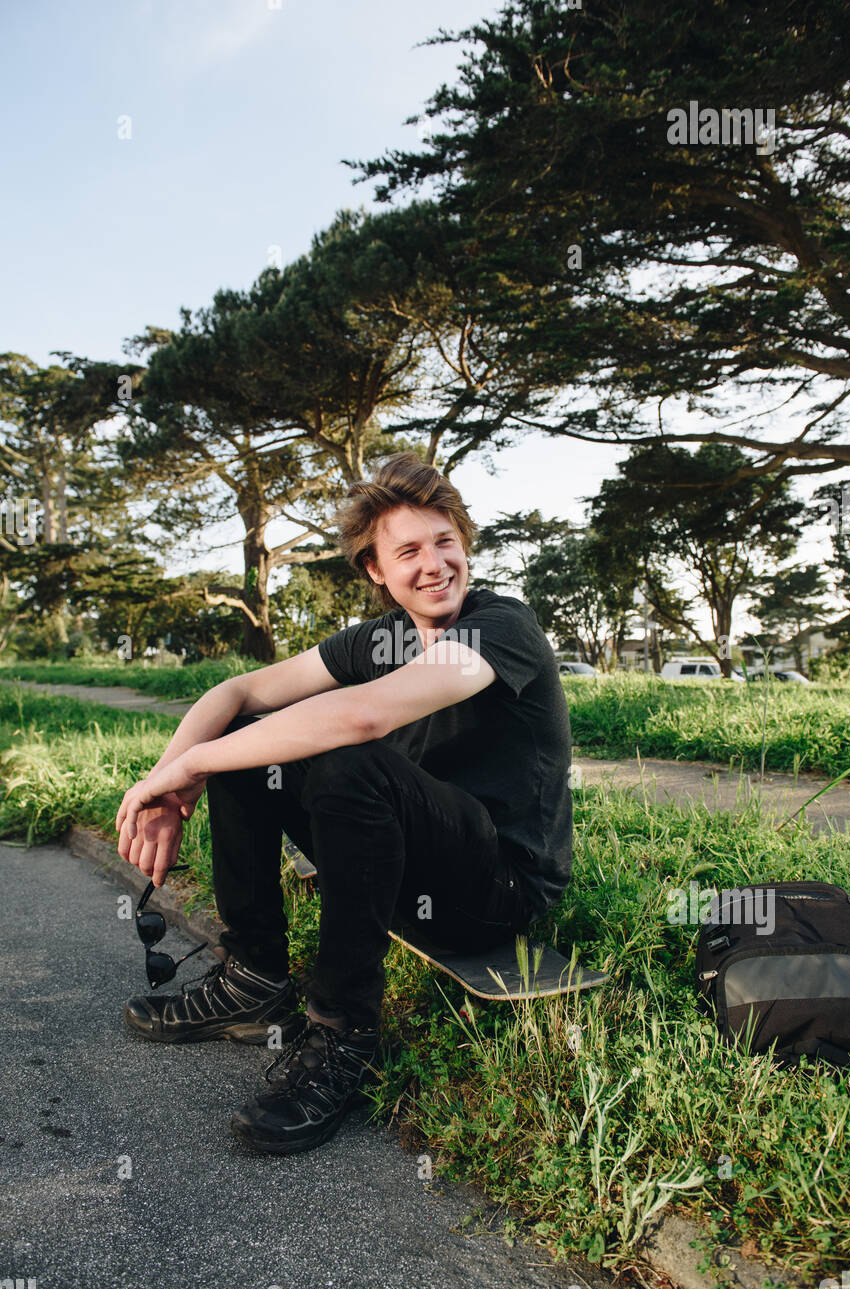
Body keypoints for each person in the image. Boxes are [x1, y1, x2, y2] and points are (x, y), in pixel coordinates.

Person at [115, 453, 573, 1155]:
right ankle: (255, 979)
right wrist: (167, 780)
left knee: (342, 753)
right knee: (249, 739)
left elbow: (362, 718)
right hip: (394, 868)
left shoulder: (501, 626)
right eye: (409, 551)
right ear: (376, 572)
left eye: (445, 541)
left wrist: (195, 765)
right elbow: (237, 692)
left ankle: (344, 1032)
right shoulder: (379, 639)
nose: (434, 565)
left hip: (494, 890)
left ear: (465, 544)